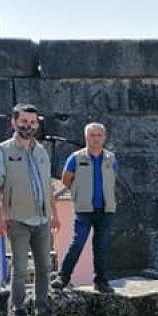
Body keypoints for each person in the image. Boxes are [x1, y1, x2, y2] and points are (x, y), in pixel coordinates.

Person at [0, 103, 60, 316]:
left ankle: (43, 310)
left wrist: (55, 214)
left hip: (42, 219)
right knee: (19, 268)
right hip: (17, 219)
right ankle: (17, 311)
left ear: (37, 124)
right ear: (14, 122)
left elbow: (47, 185)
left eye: (32, 122)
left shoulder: (41, 151)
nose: (28, 126)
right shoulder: (2, 151)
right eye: (24, 122)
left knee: (44, 267)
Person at [55, 122, 117, 293]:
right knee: (78, 242)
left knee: (101, 246)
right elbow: (66, 180)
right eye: (92, 135)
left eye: (99, 135)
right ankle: (63, 277)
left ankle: (101, 281)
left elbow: (113, 178)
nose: (95, 139)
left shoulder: (111, 158)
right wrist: (78, 193)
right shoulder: (76, 158)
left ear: (104, 137)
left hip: (105, 209)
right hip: (84, 209)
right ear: (86, 137)